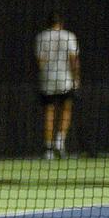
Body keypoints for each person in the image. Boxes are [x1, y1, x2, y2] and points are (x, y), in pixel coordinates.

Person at [35, 12, 80, 159]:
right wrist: (76, 78)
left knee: (49, 111)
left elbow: (40, 61)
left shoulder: (41, 37)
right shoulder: (69, 36)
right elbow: (73, 59)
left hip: (47, 78)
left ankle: (48, 149)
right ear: (61, 23)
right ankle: (60, 142)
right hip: (65, 79)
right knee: (66, 109)